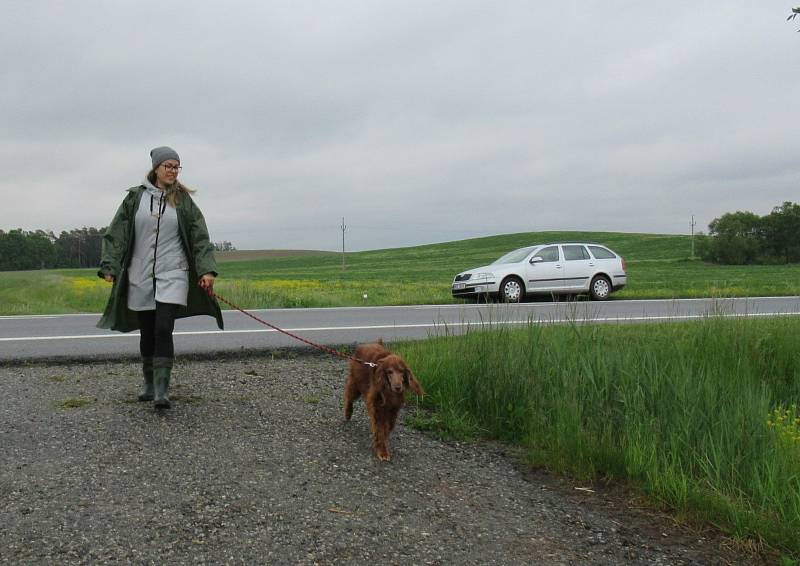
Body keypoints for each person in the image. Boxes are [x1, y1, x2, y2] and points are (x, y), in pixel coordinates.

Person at [97, 146, 223, 409]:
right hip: (140, 274)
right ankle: (149, 383)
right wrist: (109, 265)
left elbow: (200, 237)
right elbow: (117, 233)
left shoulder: (183, 200)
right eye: (168, 166)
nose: (173, 171)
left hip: (173, 272)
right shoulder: (135, 199)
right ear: (156, 168)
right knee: (148, 331)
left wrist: (206, 270)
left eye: (177, 167)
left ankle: (162, 390)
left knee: (164, 327)